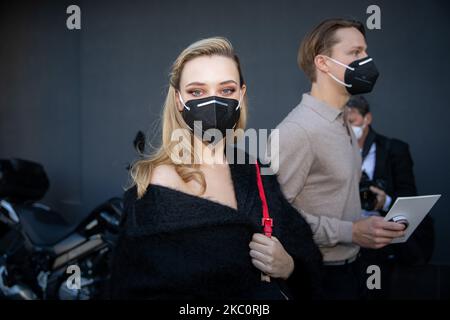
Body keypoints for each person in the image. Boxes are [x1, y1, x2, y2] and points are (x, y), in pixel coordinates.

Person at [109, 37, 322, 300]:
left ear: (241, 94)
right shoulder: (152, 186)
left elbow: (307, 255)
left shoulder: (256, 172)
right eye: (197, 92)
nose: (213, 102)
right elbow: (128, 289)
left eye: (226, 90)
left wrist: (289, 266)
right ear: (178, 100)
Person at [267, 18, 406, 299]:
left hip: (352, 269)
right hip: (317, 276)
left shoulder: (341, 121)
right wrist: (351, 231)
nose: (366, 60)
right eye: (355, 53)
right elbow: (276, 217)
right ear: (323, 63)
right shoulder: (297, 131)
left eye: (365, 52)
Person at [347, 95, 435, 299]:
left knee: (374, 291)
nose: (349, 128)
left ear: (367, 118)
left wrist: (384, 200)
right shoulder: (334, 150)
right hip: (346, 238)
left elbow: (408, 195)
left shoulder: (393, 149)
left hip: (379, 242)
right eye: (345, 123)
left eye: (353, 122)